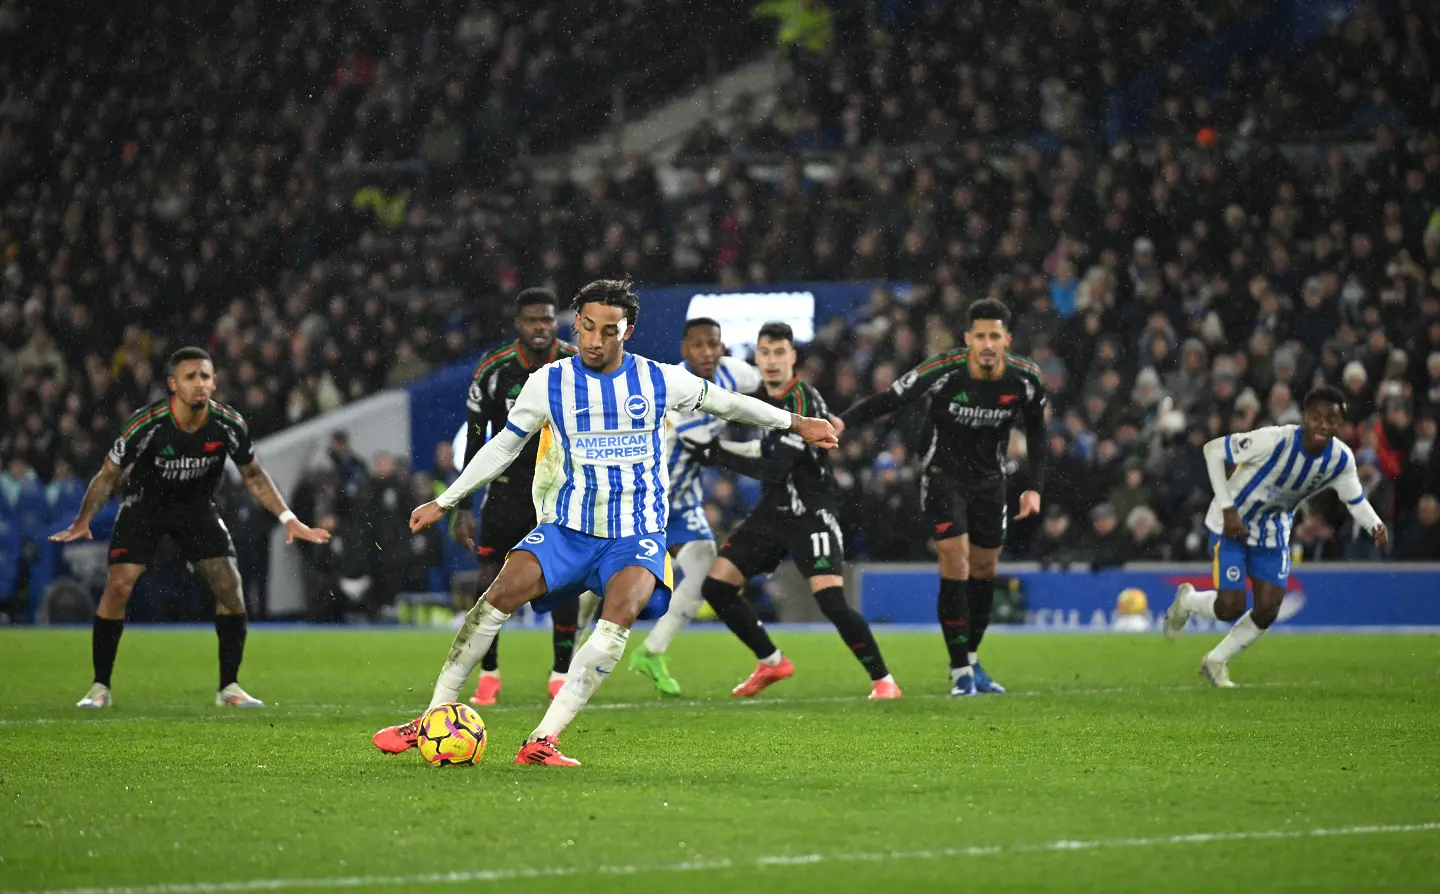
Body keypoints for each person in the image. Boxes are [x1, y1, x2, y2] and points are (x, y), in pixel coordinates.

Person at [373, 279, 838, 766]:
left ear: (628, 331)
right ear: (575, 324)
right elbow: (503, 446)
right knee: (494, 602)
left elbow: (730, 403)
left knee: (619, 616)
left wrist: (796, 422)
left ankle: (543, 739)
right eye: (588, 327)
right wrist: (446, 501)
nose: (595, 340)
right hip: (566, 530)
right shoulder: (549, 383)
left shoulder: (659, 380)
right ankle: (431, 717)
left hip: (635, 534)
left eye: (608, 330)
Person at [50, 347, 330, 709]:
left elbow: (254, 476)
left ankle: (229, 687)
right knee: (119, 585)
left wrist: (289, 519)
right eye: (190, 377)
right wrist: (83, 520)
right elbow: (108, 475)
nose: (199, 384)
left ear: (214, 381)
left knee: (230, 584)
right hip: (144, 507)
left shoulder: (228, 424)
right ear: (173, 384)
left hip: (196, 509)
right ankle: (99, 687)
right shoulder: (146, 423)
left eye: (205, 376)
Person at [682, 321, 902, 700]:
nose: (771, 360)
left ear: (793, 357)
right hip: (772, 512)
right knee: (717, 587)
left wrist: (717, 454)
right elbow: (763, 453)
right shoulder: (760, 399)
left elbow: (775, 467)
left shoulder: (803, 402)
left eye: (779, 352)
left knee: (831, 600)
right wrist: (718, 451)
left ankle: (884, 681)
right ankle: (771, 661)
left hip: (810, 512)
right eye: (765, 352)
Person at [839, 298, 1047, 696]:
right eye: (980, 336)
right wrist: (844, 421)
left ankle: (970, 659)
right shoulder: (944, 369)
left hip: (991, 481)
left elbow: (1037, 431)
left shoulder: (1026, 378)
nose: (987, 344)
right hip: (942, 477)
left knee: (985, 570)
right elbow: (891, 398)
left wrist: (1035, 487)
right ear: (968, 339)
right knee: (956, 559)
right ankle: (959, 673)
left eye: (995, 336)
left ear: (1007, 340)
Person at [1162, 386, 1388, 686]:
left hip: (1273, 533)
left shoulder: (1339, 459)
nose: (1323, 424)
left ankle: (1216, 661)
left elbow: (1354, 499)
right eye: (1316, 417)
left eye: (1331, 420)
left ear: (1339, 424)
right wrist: (1229, 510)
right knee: (1230, 607)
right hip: (1234, 525)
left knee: (1268, 608)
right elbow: (1213, 451)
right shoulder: (1274, 440)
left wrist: (1375, 524)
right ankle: (1188, 600)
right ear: (1304, 417)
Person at [449, 288, 580, 705]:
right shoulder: (494, 369)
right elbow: (475, 438)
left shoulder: (576, 362)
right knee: (491, 582)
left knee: (565, 582)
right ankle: (488, 674)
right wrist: (464, 504)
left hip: (560, 490)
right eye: (532, 321)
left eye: (547, 320)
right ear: (517, 324)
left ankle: (560, 674)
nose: (540, 328)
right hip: (506, 493)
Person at [628, 317, 762, 696]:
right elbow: (708, 448)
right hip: (644, 497)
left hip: (682, 496)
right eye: (698, 345)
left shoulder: (735, 374)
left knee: (704, 573)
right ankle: (568, 658)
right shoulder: (674, 388)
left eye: (714, 344)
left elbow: (767, 383)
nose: (707, 352)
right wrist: (763, 447)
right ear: (684, 349)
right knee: (600, 587)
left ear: (722, 347)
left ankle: (651, 652)